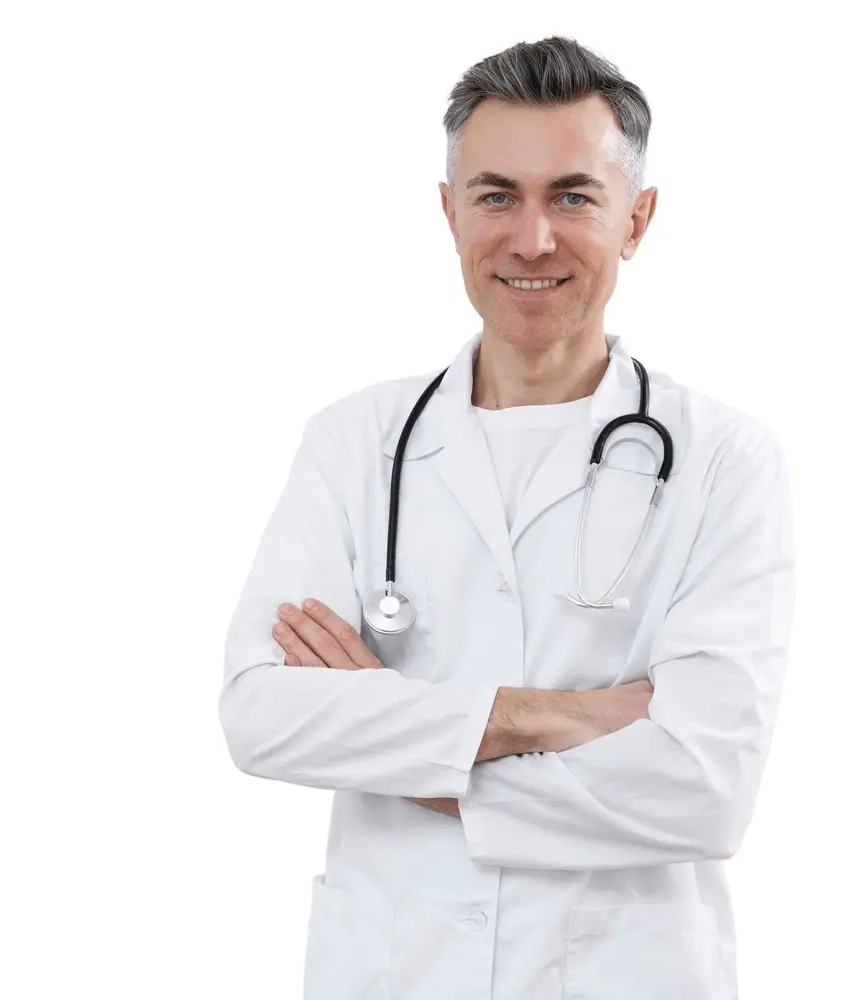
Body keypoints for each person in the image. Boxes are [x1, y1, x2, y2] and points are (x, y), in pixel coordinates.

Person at [218, 36, 794, 1000]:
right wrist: (562, 716)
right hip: (394, 971)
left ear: (637, 220)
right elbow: (261, 716)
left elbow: (705, 789)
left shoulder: (725, 460)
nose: (532, 240)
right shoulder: (355, 443)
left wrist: (394, 740)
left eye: (573, 196)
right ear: (448, 212)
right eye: (497, 196)